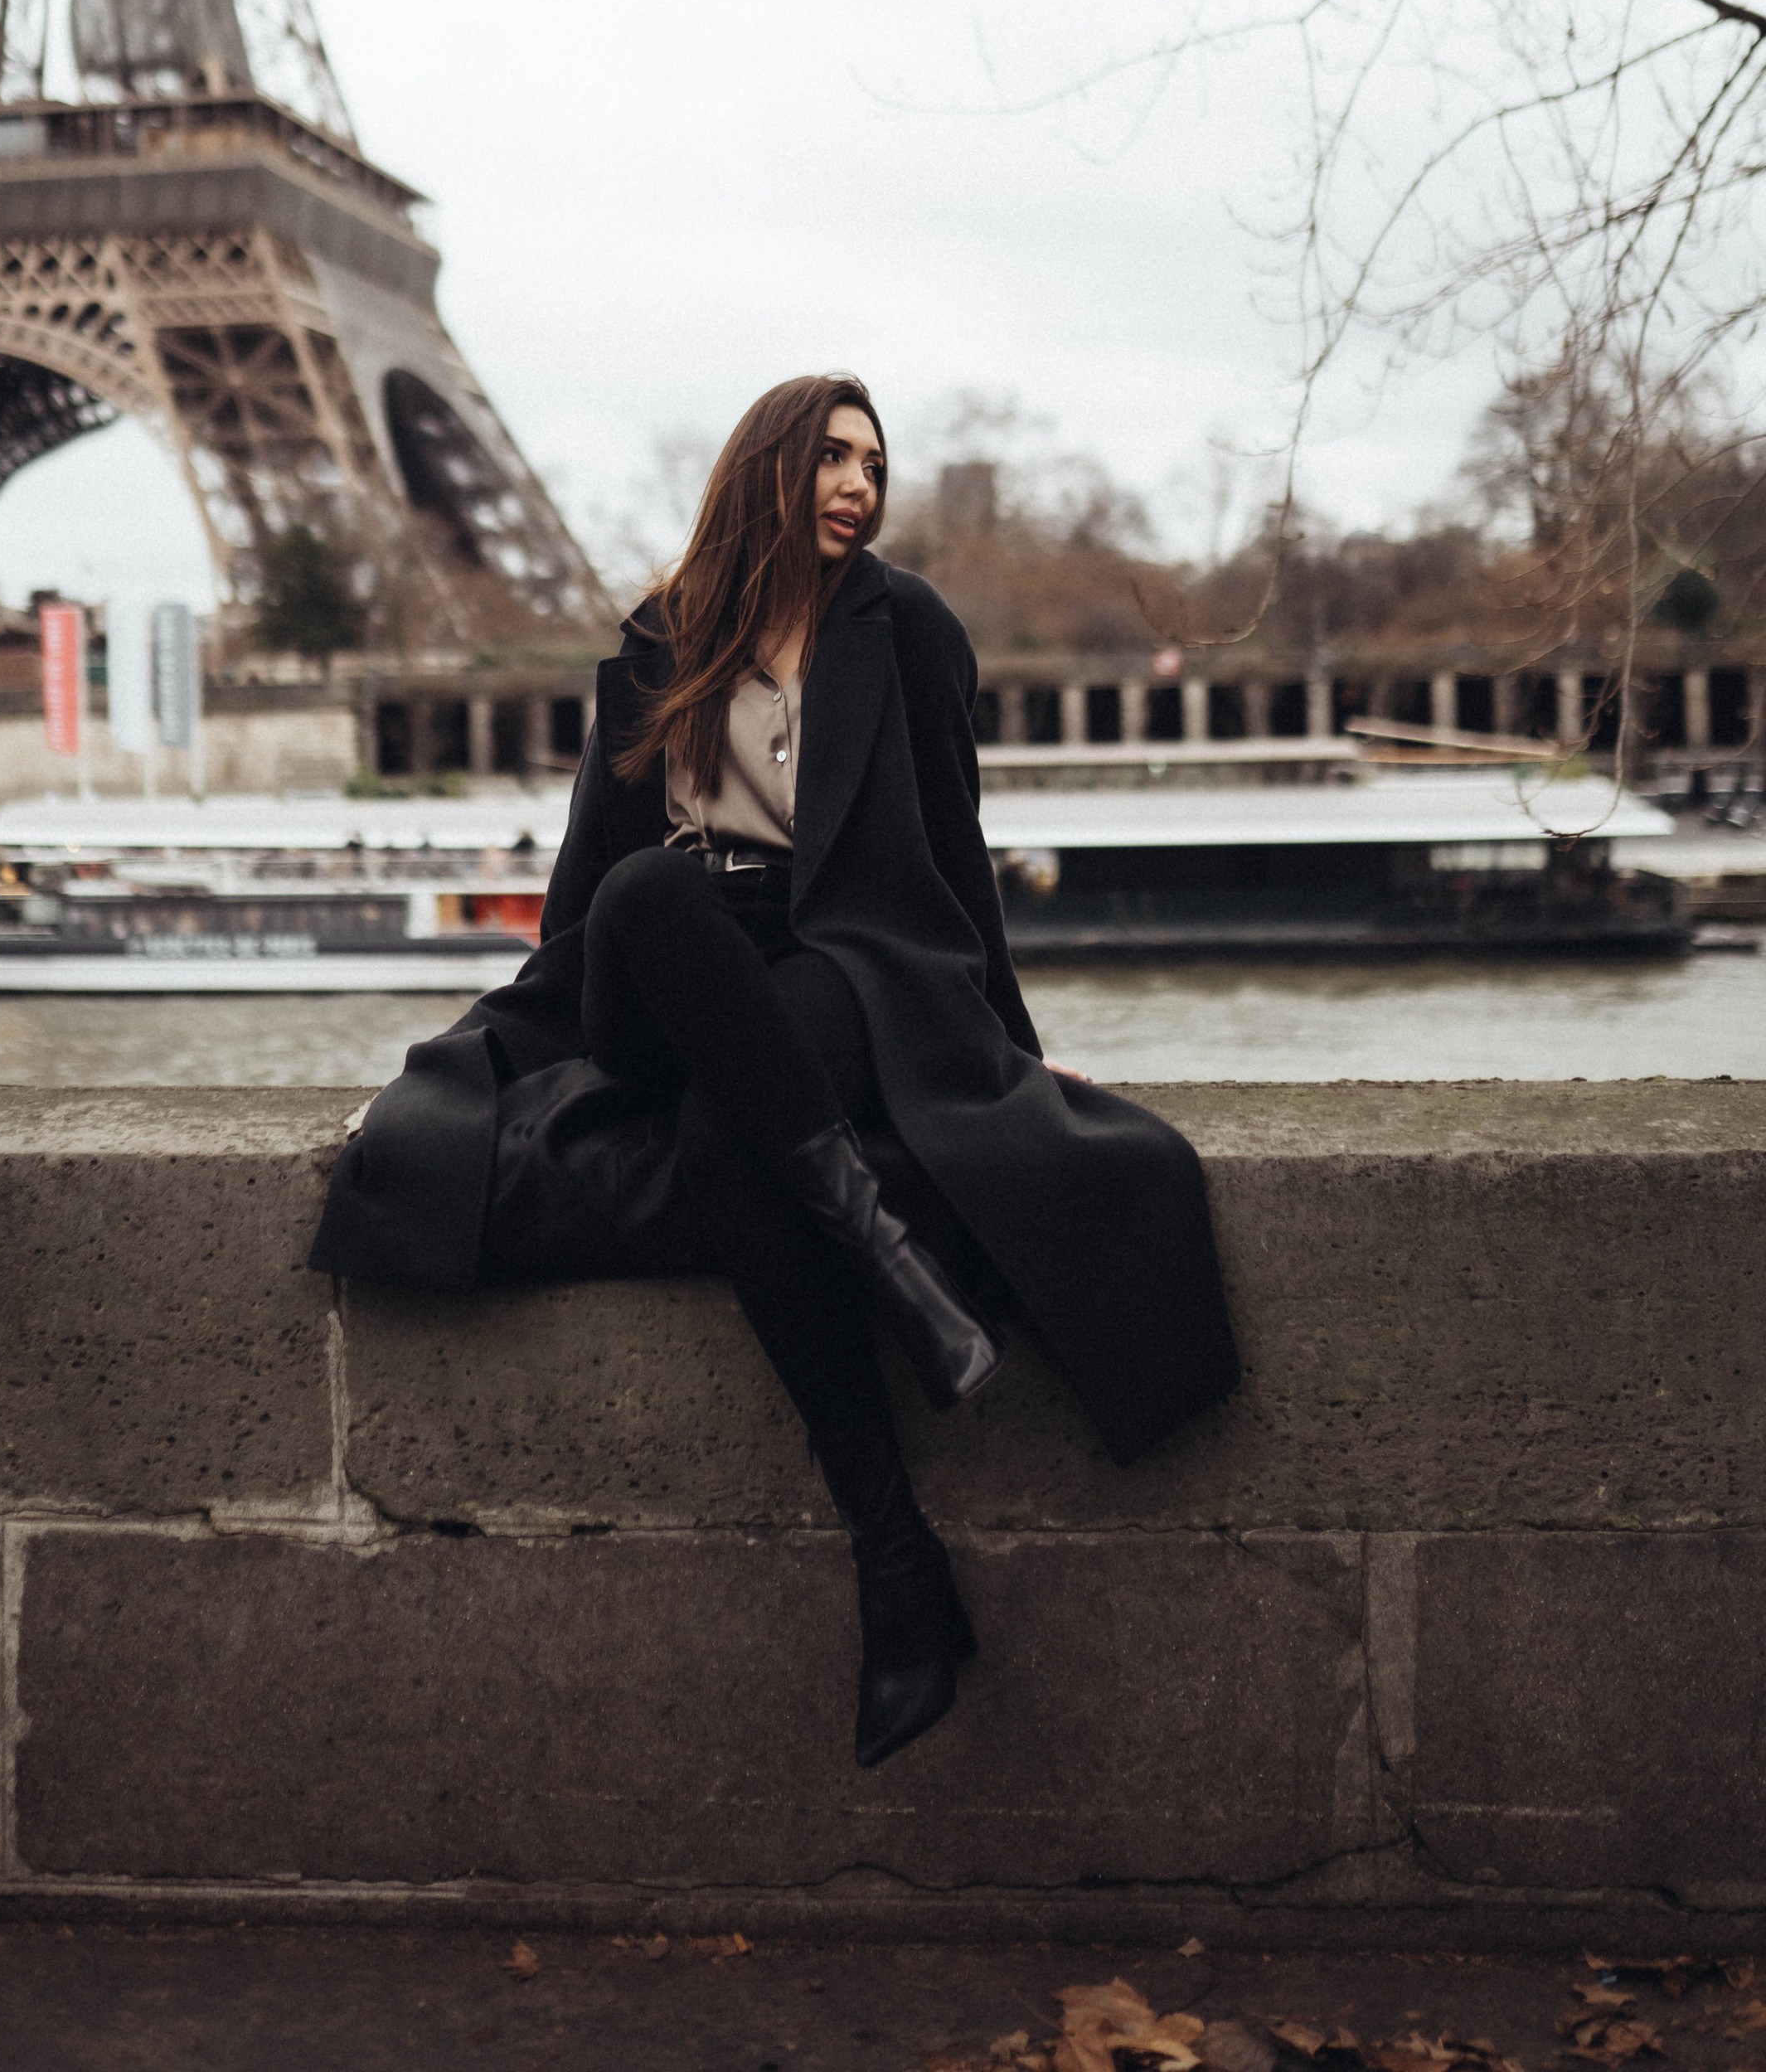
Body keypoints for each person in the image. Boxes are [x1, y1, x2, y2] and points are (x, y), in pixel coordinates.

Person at [309, 375, 1239, 1768]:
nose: (861, 483)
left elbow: (952, 858)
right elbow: (583, 888)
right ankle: (902, 1283)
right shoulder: (657, 637)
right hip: (664, 965)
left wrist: (1006, 1049)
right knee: (650, 899)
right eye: (833, 457)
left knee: (724, 1151)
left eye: (876, 461)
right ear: (768, 467)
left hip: (836, 959)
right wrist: (490, 1051)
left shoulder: (905, 626)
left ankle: (898, 1566)